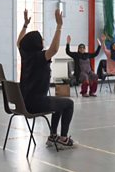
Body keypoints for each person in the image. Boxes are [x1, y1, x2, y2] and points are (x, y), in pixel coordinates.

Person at [18, 9, 74, 149]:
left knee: (59, 102)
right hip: (36, 104)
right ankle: (63, 138)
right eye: (41, 39)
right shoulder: (38, 57)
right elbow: (54, 49)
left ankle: (53, 136)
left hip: (24, 102)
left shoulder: (25, 54)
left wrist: (25, 25)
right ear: (36, 43)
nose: (43, 40)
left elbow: (19, 43)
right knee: (69, 104)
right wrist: (59, 26)